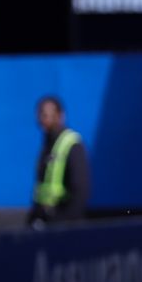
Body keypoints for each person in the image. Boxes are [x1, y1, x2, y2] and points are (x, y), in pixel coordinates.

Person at [28, 95, 90, 225]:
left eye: (47, 115)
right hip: (44, 220)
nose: (42, 120)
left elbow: (80, 191)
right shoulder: (47, 145)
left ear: (61, 116)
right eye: (40, 115)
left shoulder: (72, 144)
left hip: (64, 223)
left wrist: (62, 223)